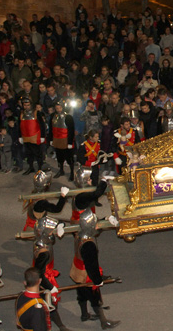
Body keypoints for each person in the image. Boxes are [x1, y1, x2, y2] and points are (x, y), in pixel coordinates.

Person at [70, 192, 120, 328]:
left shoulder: (80, 232)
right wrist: (97, 280)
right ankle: (104, 321)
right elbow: (91, 265)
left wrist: (106, 219)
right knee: (95, 297)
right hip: (86, 274)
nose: (97, 226)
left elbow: (95, 228)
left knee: (81, 293)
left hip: (77, 267)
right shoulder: (89, 245)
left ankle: (84, 314)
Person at [31, 197, 72, 331]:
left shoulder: (39, 239)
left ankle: (59, 325)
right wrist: (49, 286)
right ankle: (59, 325)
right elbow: (38, 273)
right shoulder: (44, 253)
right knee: (49, 300)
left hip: (45, 275)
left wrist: (60, 225)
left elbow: (57, 222)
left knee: (49, 301)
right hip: (44, 279)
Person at [48, 100, 75, 180]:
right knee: (59, 156)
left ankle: (72, 172)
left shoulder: (68, 117)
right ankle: (61, 170)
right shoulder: (53, 116)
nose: (58, 109)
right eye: (57, 108)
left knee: (69, 157)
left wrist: (70, 142)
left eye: (60, 108)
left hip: (65, 140)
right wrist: (51, 139)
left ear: (63, 108)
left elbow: (71, 130)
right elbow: (51, 128)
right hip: (57, 139)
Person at [20, 98, 47, 175]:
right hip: (25, 136)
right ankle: (31, 167)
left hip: (35, 136)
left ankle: (40, 168)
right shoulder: (22, 113)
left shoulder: (36, 112)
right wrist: (20, 136)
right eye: (25, 105)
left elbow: (42, 125)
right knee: (29, 153)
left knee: (38, 153)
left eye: (28, 105)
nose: (26, 106)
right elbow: (20, 124)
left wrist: (42, 136)